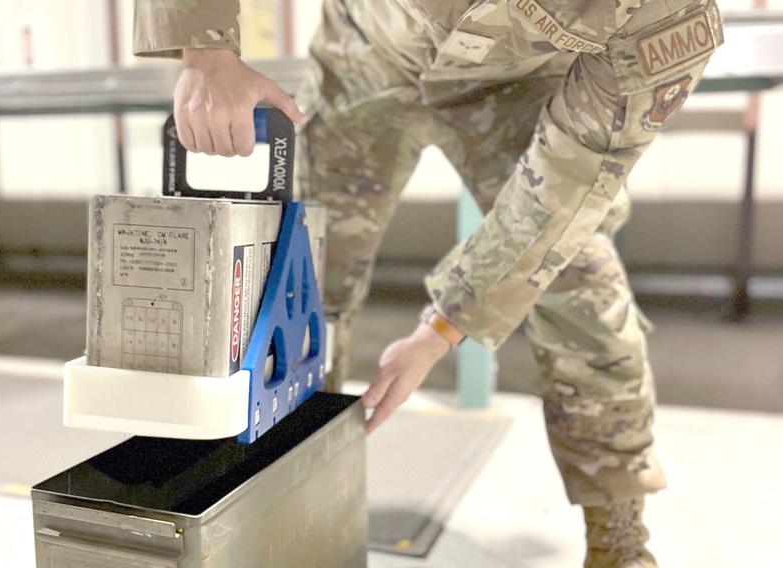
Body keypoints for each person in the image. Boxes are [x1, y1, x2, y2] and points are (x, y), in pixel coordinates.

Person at [133, 1, 723, 566]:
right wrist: (206, 50)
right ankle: (281, 509)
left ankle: (618, 538)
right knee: (300, 281)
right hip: (367, 59)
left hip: (517, 86)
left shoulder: (665, 9)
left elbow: (567, 191)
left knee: (579, 283)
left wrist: (444, 326)